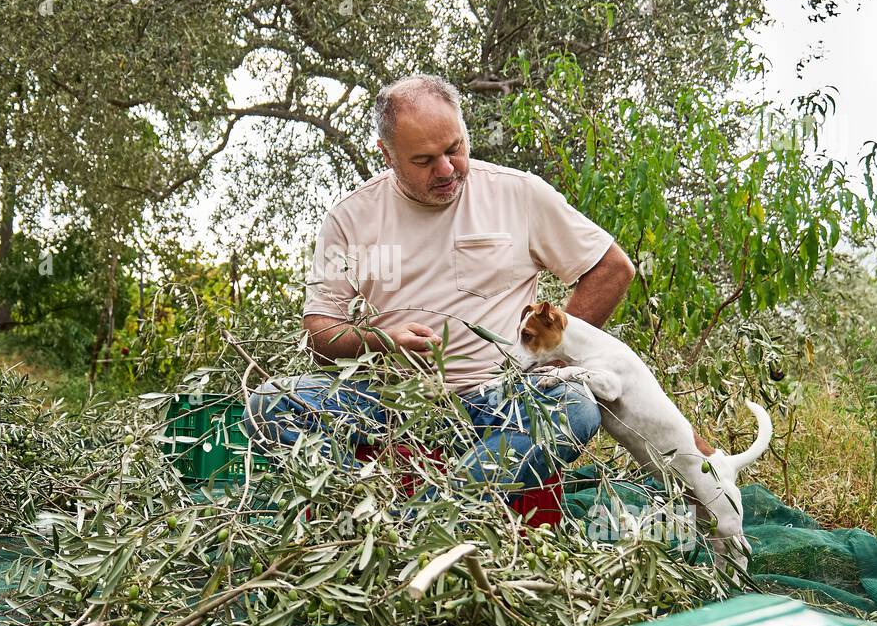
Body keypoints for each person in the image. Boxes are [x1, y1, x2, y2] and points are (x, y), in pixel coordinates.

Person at [242, 73, 635, 493]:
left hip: (499, 397)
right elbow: (319, 335)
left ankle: (428, 519)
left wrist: (551, 358)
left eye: (455, 149)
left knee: (575, 408)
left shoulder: (518, 194)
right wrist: (381, 341)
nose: (447, 169)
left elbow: (611, 269)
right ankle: (353, 506)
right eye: (424, 160)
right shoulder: (350, 218)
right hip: (389, 402)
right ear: (387, 155)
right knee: (271, 403)